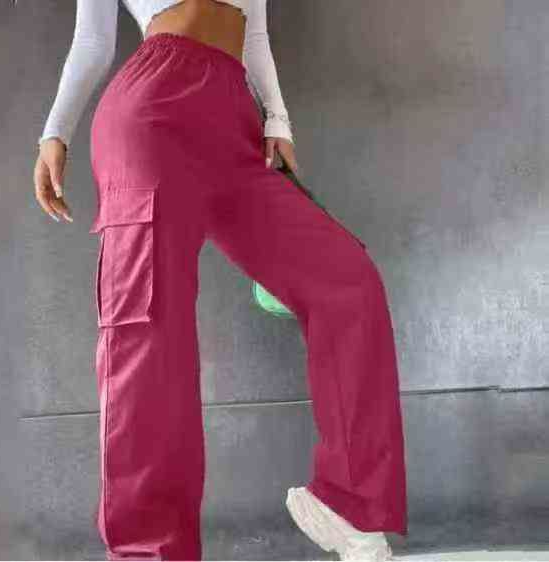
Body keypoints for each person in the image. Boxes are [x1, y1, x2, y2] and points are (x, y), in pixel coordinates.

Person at [33, 1, 408, 560]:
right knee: (148, 334)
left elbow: (253, 31)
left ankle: (348, 504)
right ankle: (148, 551)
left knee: (348, 283)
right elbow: (92, 41)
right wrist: (54, 133)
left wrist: (277, 120)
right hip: (151, 111)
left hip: (233, 119)